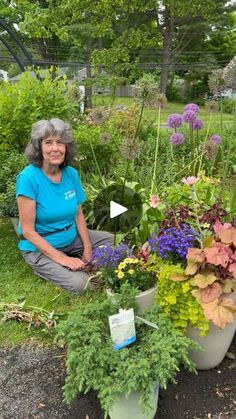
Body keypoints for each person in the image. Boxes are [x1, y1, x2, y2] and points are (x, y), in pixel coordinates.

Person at [16, 118, 113, 292]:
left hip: (71, 238)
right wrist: (63, 259)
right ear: (38, 147)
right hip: (40, 246)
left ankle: (78, 259)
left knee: (114, 241)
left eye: (60, 142)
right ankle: (48, 265)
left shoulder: (71, 174)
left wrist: (88, 247)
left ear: (66, 147)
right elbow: (28, 231)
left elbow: (78, 214)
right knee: (83, 284)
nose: (55, 148)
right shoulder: (28, 179)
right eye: (48, 143)